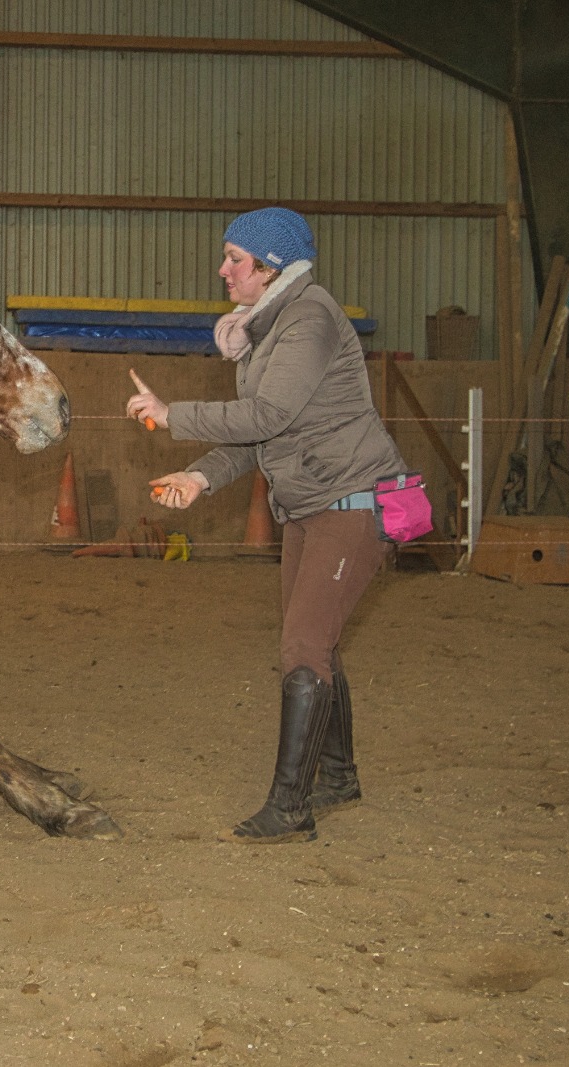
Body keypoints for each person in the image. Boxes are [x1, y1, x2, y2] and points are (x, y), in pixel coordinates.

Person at [125, 206, 408, 845]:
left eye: (235, 259)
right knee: (315, 643)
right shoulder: (267, 328)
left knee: (303, 648)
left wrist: (173, 414)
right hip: (311, 506)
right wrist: (197, 478)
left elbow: (266, 412)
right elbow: (262, 431)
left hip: (350, 503)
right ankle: (337, 776)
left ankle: (290, 810)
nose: (223, 270)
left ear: (269, 266)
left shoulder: (308, 318)